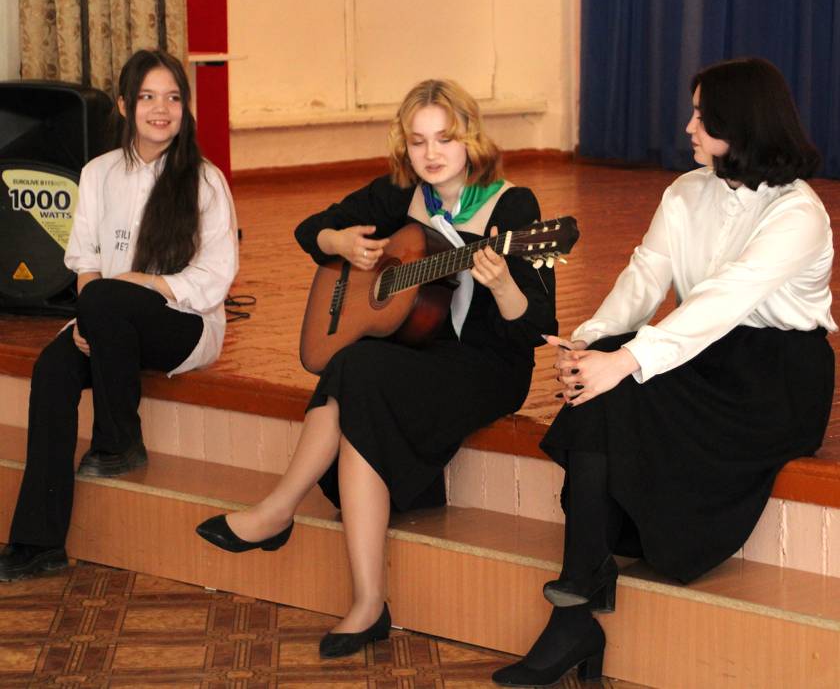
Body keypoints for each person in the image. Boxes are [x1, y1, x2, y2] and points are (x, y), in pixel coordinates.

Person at [492, 57, 836, 686]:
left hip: (776, 378)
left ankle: (578, 605)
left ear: (743, 123)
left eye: (703, 116)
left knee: (616, 380)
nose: (688, 127)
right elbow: (644, 278)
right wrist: (589, 341)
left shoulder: (798, 213)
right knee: (603, 376)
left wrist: (624, 361)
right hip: (704, 354)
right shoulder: (686, 192)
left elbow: (722, 301)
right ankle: (576, 602)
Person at [196, 79, 558, 658]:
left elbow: (535, 324)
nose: (431, 154)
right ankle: (364, 600)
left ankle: (282, 515)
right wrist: (339, 242)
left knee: (356, 370)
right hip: (420, 353)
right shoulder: (401, 194)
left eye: (445, 138)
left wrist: (502, 285)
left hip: (487, 364)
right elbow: (310, 230)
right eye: (418, 141)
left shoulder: (513, 208)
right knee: (358, 370)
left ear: (471, 138)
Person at [0, 49, 238, 582]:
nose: (161, 109)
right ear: (126, 105)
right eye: (148, 97)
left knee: (109, 297)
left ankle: (119, 439)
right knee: (52, 369)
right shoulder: (98, 172)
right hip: (106, 320)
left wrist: (135, 286)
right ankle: (38, 542)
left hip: (183, 323)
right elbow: (84, 260)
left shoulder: (205, 180)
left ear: (185, 108)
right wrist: (92, 316)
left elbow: (215, 277)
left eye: (173, 98)